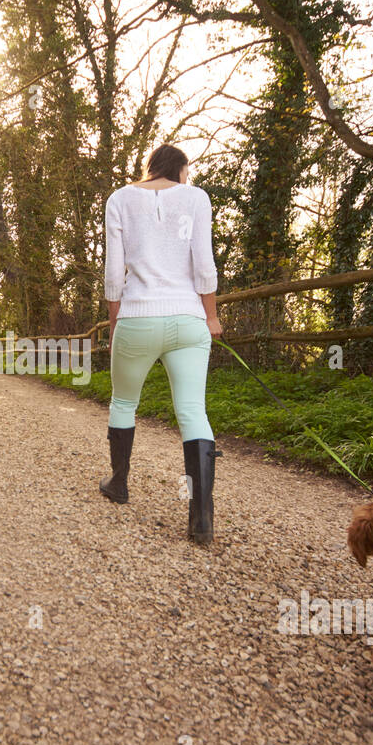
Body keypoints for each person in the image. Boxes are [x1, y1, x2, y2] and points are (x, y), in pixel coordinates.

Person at [99, 143, 222, 544]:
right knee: (192, 412)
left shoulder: (119, 199)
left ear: (150, 167)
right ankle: (201, 519)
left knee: (123, 402)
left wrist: (117, 321)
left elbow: (114, 273)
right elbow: (204, 264)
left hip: (138, 316)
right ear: (181, 169)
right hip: (188, 319)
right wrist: (212, 316)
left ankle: (119, 484)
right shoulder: (196, 198)